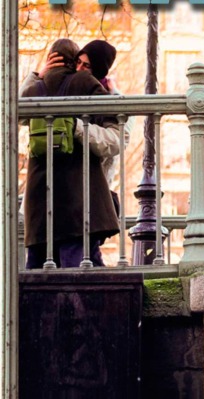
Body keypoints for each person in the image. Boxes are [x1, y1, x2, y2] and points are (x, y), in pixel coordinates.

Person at [20, 38, 120, 268]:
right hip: (79, 199)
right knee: (79, 269)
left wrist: (37, 75)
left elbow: (14, 112)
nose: (81, 68)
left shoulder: (36, 88)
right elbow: (115, 134)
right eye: (79, 62)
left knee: (37, 273)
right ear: (73, 60)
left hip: (39, 198)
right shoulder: (85, 82)